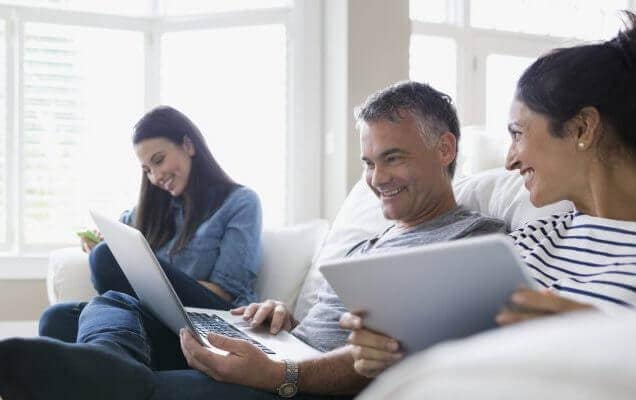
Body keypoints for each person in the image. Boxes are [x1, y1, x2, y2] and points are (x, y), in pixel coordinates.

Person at [0, 82, 504, 400]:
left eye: (392, 158)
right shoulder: (371, 240)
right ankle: (112, 369)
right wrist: (281, 318)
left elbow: (386, 356)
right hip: (285, 350)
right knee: (85, 308)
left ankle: (117, 379)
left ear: (445, 149)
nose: (376, 179)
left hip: (297, 383)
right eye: (368, 163)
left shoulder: (473, 243)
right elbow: (325, 330)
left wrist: (279, 375)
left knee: (131, 381)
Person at [341, 14, 636, 379]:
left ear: (582, 128)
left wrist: (601, 339)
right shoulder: (531, 240)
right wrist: (391, 350)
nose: (509, 160)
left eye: (518, 133)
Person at [40, 106, 263, 342]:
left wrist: (148, 284)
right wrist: (98, 240)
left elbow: (228, 293)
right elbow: (115, 245)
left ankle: (123, 347)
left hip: (212, 317)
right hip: (154, 318)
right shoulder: (152, 210)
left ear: (188, 145)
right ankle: (124, 347)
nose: (155, 177)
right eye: (147, 170)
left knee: (104, 258)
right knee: (55, 319)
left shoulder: (240, 202)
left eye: (159, 160)